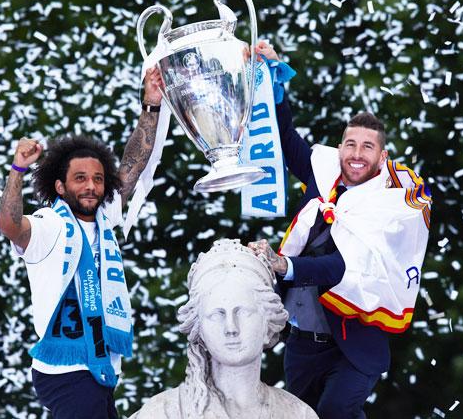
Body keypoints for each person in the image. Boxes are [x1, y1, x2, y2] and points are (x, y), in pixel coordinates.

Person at [248, 43, 431, 419]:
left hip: (353, 344)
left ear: (382, 156)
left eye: (367, 147)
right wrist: (273, 87)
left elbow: (340, 266)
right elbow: (285, 140)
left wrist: (285, 266)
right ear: (340, 147)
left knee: (334, 412)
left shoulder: (390, 202)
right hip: (301, 343)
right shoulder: (325, 174)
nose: (357, 154)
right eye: (350, 144)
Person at [0, 68, 163, 419]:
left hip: (102, 365)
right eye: (80, 179)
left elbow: (133, 164)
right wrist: (17, 171)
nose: (91, 186)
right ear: (60, 187)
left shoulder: (105, 218)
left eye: (98, 179)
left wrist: (150, 106)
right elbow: (10, 225)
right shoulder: (49, 224)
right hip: (66, 369)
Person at [130, 239, 318, 419]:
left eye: (243, 312)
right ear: (199, 328)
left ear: (268, 320)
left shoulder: (298, 414)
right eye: (216, 315)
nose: (231, 328)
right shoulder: (162, 413)